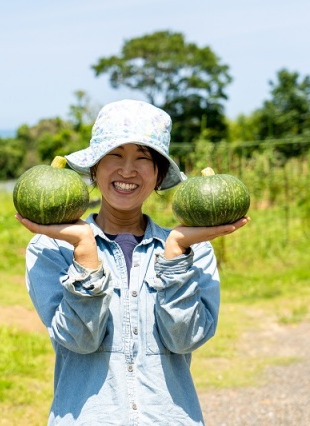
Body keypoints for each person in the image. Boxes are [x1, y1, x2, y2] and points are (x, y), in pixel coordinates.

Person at [16, 99, 249, 425]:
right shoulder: (51, 248)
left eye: (143, 158)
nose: (127, 170)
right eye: (115, 156)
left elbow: (186, 340)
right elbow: (80, 341)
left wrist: (175, 255)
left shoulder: (193, 249)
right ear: (94, 169)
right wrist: (84, 252)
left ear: (158, 175)